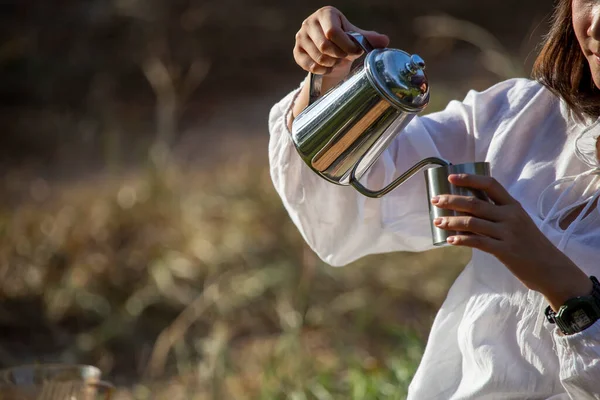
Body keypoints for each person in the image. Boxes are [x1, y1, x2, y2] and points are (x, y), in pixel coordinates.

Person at [268, 2, 600, 399]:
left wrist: (565, 288)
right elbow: (360, 203)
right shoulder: (525, 118)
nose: (595, 24)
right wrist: (333, 81)